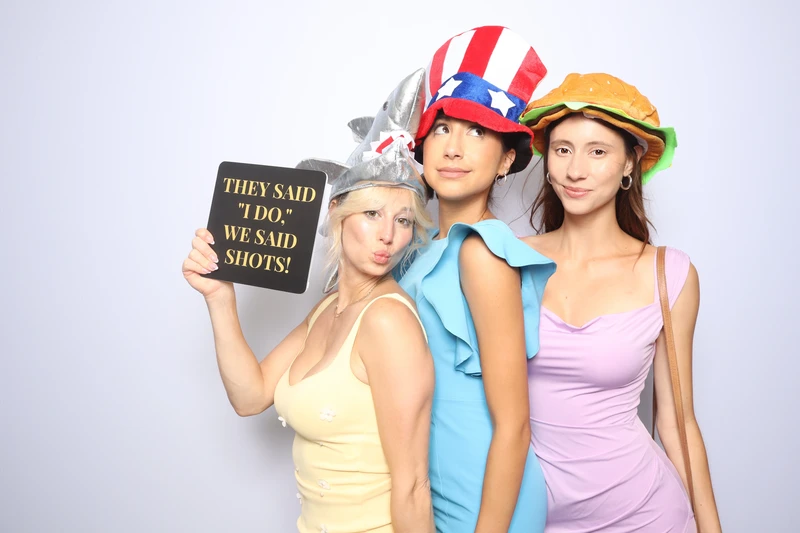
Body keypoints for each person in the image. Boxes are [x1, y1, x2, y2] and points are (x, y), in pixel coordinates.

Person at [182, 71, 436, 533]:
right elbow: (250, 395)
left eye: (403, 220)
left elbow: (413, 485)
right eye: (372, 214)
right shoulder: (326, 309)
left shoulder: (388, 323)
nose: (388, 235)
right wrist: (220, 298)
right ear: (338, 217)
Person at [520, 72, 722, 532]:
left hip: (642, 513)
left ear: (631, 163)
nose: (575, 170)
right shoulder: (508, 260)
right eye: (563, 149)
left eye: (598, 151)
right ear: (546, 158)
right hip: (530, 515)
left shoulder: (668, 274)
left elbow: (677, 422)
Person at [398, 26, 555, 533]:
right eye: (442, 129)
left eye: (477, 131)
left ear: (507, 158)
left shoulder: (480, 250)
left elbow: (514, 424)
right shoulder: (418, 249)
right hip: (432, 481)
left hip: (485, 495)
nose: (453, 148)